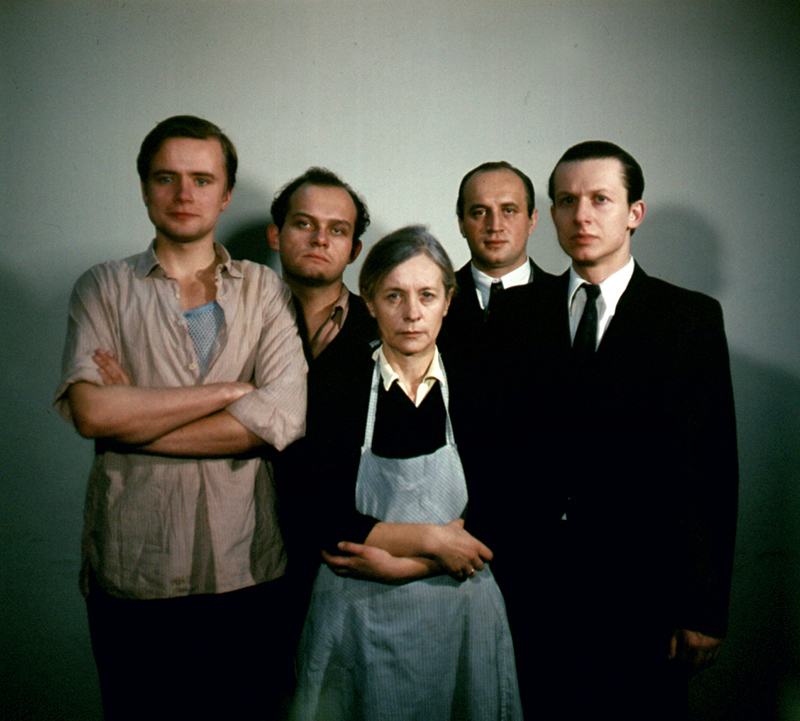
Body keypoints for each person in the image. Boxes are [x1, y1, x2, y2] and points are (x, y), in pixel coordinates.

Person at [54, 115, 307, 720]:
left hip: (245, 565)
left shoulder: (265, 290)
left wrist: (135, 417)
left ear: (225, 194)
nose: (184, 194)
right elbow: (90, 412)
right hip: (135, 566)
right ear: (145, 188)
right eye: (166, 178)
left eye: (202, 179)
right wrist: (231, 392)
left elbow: (280, 418)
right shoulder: (102, 288)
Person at [291, 226, 522, 721]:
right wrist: (434, 541)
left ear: (448, 302)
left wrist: (405, 566)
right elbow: (320, 512)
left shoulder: (481, 385)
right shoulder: (337, 382)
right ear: (370, 302)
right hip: (358, 615)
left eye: (427, 295)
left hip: (460, 612)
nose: (412, 313)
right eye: (394, 295)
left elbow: (505, 508)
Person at [544, 140, 739, 719]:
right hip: (533, 593)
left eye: (600, 199)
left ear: (634, 213)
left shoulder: (689, 319)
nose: (581, 215)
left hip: (643, 599)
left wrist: (703, 609)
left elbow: (712, 470)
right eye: (567, 201)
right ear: (551, 214)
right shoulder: (518, 313)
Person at [267, 167, 378, 660]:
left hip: (351, 558)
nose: (319, 239)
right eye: (303, 223)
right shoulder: (239, 323)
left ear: (354, 250)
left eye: (337, 229)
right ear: (275, 234)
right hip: (249, 554)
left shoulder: (385, 330)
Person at [440, 160, 555, 359]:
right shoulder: (434, 299)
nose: (495, 226)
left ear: (532, 220)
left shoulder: (562, 300)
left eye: (508, 210)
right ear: (461, 224)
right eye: (480, 212)